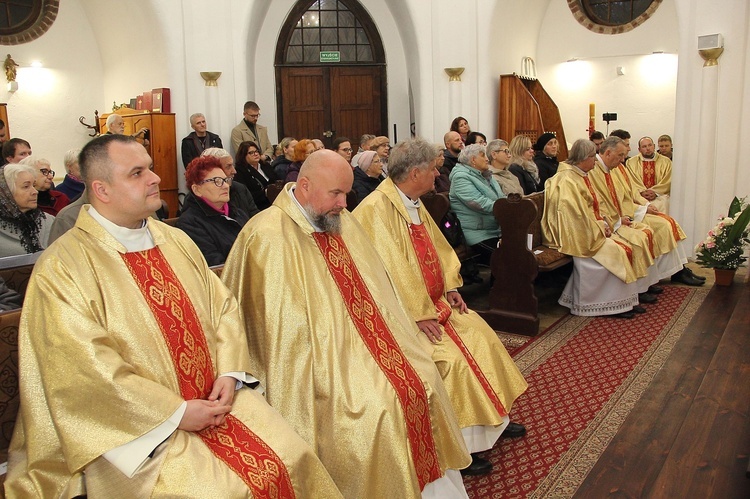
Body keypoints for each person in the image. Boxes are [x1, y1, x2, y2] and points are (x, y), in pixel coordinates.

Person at [4, 134, 341, 498]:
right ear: (101, 189)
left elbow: (223, 308)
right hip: (132, 430)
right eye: (137, 173)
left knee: (294, 457)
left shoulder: (175, 240)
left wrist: (229, 373)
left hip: (217, 400)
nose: (155, 178)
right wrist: (175, 413)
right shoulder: (64, 268)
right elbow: (84, 371)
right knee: (222, 492)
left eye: (149, 167)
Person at [222, 149, 472, 497]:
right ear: (304, 186)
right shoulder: (265, 236)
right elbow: (274, 333)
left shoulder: (343, 222)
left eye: (347, 193)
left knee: (424, 376)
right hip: (320, 365)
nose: (343, 203)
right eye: (335, 194)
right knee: (376, 408)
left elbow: (380, 291)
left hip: (369, 345)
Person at [353, 138, 528, 476]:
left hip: (434, 304)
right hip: (403, 316)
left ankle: (495, 421)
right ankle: (463, 446)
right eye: (433, 169)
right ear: (416, 172)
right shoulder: (375, 211)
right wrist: (420, 312)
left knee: (480, 333)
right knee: (449, 362)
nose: (438, 175)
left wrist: (449, 286)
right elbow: (387, 272)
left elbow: (439, 249)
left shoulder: (413, 202)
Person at [541, 139, 641, 318]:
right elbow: (574, 216)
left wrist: (604, 222)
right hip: (575, 234)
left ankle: (620, 303)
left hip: (588, 228)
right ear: (582, 158)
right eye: (592, 158)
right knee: (617, 251)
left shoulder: (580, 175)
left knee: (625, 247)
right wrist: (600, 227)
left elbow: (594, 207)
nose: (595, 162)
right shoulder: (566, 180)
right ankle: (604, 304)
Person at [177, 156, 249, 266]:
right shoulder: (190, 224)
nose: (225, 186)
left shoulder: (238, 213)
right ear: (197, 189)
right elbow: (215, 267)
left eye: (225, 180)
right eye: (217, 181)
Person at [448, 143, 506, 265]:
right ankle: (499, 284)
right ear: (473, 160)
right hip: (476, 232)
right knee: (503, 256)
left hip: (493, 229)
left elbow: (500, 197)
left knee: (516, 249)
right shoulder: (461, 177)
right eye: (483, 155)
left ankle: (504, 283)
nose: (487, 158)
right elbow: (478, 203)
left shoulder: (486, 176)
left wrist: (510, 205)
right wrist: (504, 208)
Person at [0, 163, 54, 257]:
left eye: (33, 185)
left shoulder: (49, 221)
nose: (35, 192)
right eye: (26, 186)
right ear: (6, 192)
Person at [200, 147, 259, 220]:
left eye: (232, 165)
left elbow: (256, 219)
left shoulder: (240, 189)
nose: (234, 171)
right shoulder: (196, 205)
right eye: (228, 167)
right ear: (213, 171)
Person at [626, 136, 671, 213]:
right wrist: (642, 192)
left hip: (659, 196)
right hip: (639, 196)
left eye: (650, 145)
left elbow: (667, 181)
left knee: (664, 203)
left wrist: (655, 192)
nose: (648, 148)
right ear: (639, 149)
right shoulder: (631, 162)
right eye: (644, 146)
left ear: (654, 146)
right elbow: (631, 181)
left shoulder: (666, 161)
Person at [233, 140, 277, 210]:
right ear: (243, 155)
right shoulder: (240, 171)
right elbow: (245, 195)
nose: (256, 154)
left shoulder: (265, 165)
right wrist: (265, 192)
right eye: (251, 153)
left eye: (256, 151)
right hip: (259, 207)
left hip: (275, 202)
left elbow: (276, 180)